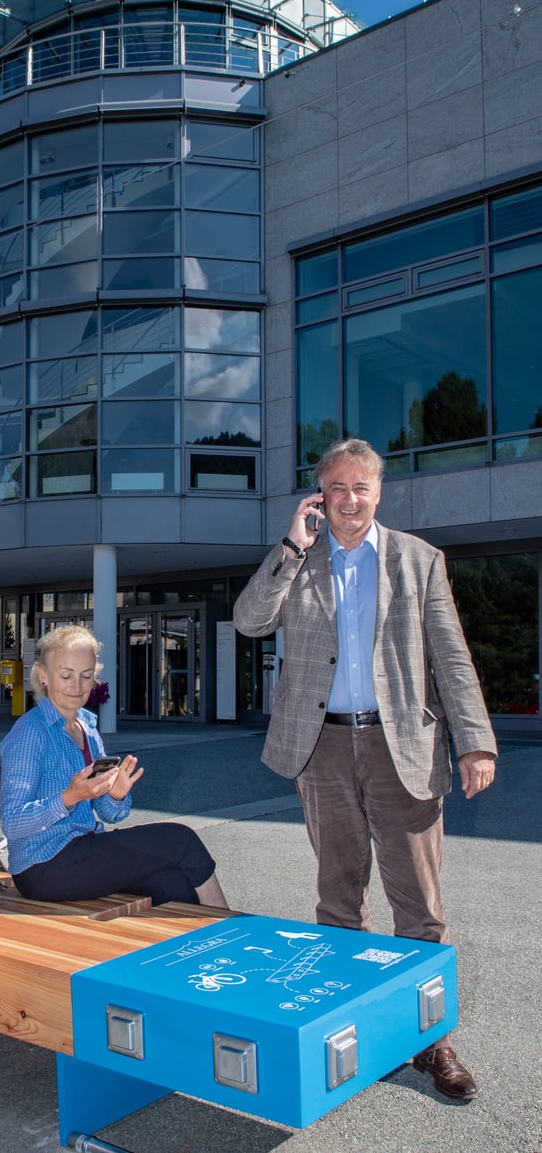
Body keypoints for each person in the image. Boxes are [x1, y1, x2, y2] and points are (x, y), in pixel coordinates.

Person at [233, 438, 497, 1102]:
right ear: (320, 496)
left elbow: (452, 656)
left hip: (401, 747)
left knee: (419, 909)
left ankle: (431, 1042)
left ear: (379, 493)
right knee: (338, 901)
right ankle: (354, 1031)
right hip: (322, 749)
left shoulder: (417, 561)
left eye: (361, 488)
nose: (349, 501)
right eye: (337, 489)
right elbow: (249, 620)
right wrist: (291, 546)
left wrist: (475, 742)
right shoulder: (303, 560)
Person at [0, 625, 228, 908]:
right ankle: (233, 933)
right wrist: (69, 797)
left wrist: (115, 794)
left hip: (83, 850)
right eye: (66, 675)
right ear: (43, 675)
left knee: (172, 883)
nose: (77, 686)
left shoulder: (88, 728)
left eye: (86, 676)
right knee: (181, 840)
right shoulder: (30, 732)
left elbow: (108, 814)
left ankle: (198, 950)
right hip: (43, 864)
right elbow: (11, 823)